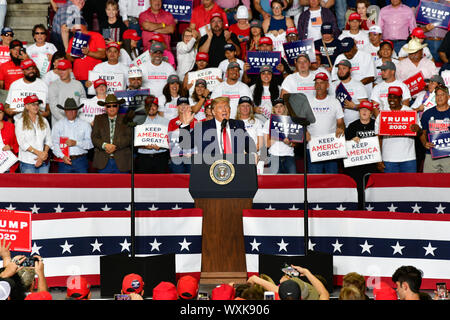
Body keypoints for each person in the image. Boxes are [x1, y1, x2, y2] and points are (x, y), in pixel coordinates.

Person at [179, 96, 256, 158]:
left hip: (235, 167)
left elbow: (249, 144)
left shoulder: (238, 124)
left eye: (226, 107)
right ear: (213, 112)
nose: (224, 110)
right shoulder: (202, 127)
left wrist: (253, 153)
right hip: (211, 168)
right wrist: (185, 124)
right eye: (220, 107)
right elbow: (185, 145)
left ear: (230, 109)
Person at [304, 72, 345, 174]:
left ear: (327, 85)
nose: (319, 86)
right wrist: (304, 131)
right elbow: (301, 122)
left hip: (330, 147)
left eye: (321, 83)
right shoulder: (307, 102)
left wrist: (340, 127)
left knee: (332, 180)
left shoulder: (334, 102)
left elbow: (340, 122)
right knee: (314, 180)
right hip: (313, 146)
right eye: (316, 83)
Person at [375, 86, 420, 173]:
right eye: (390, 97)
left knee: (409, 185)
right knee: (390, 186)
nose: (392, 100)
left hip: (408, 158)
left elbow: (419, 132)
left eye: (395, 97)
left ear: (401, 98)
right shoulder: (382, 115)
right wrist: (378, 159)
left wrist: (418, 130)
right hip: (388, 159)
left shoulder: (410, 112)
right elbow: (378, 138)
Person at [345, 101, 378, 208]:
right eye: (362, 109)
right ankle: (359, 209)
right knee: (358, 189)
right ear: (358, 112)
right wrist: (351, 141)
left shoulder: (376, 124)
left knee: (372, 189)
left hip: (372, 164)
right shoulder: (352, 126)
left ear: (371, 113)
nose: (364, 111)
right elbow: (344, 145)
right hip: (357, 165)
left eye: (367, 110)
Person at [91, 94, 132, 173]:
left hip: (122, 160)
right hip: (103, 160)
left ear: (118, 106)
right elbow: (94, 137)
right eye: (109, 106)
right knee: (104, 185)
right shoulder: (98, 119)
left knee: (123, 185)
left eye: (114, 106)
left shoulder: (126, 119)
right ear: (105, 108)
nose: (112, 108)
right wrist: (105, 145)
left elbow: (129, 137)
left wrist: (114, 146)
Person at [51, 98, 93, 173]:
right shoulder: (58, 125)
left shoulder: (85, 125)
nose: (71, 112)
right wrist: (62, 156)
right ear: (65, 111)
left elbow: (90, 144)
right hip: (64, 161)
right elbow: (54, 144)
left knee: (83, 184)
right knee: (64, 184)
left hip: (81, 160)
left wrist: (76, 143)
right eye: (68, 110)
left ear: (77, 111)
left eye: (73, 110)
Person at [15, 95, 52, 173]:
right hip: (27, 162)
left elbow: (49, 140)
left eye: (37, 104)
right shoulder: (20, 122)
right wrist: (39, 154)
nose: (36, 107)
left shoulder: (44, 121)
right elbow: (22, 143)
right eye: (33, 104)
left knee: (44, 184)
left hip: (43, 161)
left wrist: (43, 155)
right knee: (29, 185)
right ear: (26, 106)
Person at [65, 18, 106, 88]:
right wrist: (75, 54)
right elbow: (69, 58)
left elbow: (103, 55)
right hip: (77, 78)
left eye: (75, 27)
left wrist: (88, 52)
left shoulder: (96, 36)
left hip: (94, 77)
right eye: (72, 27)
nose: (73, 29)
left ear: (83, 26)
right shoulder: (73, 39)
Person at [135, 96, 170, 174]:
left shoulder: (166, 122)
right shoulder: (137, 122)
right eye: (149, 105)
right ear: (145, 107)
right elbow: (134, 141)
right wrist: (143, 146)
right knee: (143, 184)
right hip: (143, 158)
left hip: (161, 157)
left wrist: (161, 146)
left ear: (157, 107)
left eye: (154, 105)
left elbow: (170, 141)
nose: (151, 108)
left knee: (161, 183)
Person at [419, 84, 450, 173]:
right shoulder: (427, 114)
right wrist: (424, 142)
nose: (439, 97)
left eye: (442, 95)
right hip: (431, 154)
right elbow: (423, 132)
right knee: (429, 183)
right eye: (437, 95)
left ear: (448, 97)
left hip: (448, 155)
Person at [329, 59, 368, 127]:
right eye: (339, 69)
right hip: (337, 125)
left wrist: (354, 106)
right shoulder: (332, 85)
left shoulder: (358, 85)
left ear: (350, 70)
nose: (341, 71)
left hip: (355, 125)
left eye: (344, 68)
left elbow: (366, 106)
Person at [48, 59, 87, 127]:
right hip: (59, 125)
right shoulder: (53, 86)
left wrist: (76, 121)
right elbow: (53, 108)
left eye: (64, 70)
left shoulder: (78, 85)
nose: (61, 72)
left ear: (70, 70)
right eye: (59, 70)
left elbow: (84, 104)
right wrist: (68, 122)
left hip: (77, 124)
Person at [263, 98, 297, 174]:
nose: (278, 109)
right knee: (276, 184)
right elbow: (267, 144)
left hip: (289, 156)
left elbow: (295, 143)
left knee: (293, 183)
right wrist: (277, 135)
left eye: (281, 106)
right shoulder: (268, 123)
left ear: (285, 107)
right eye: (276, 107)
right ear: (273, 109)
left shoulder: (291, 121)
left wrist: (289, 143)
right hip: (274, 156)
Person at [168, 96, 197, 173]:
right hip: (177, 156)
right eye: (181, 104)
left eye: (185, 104)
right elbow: (171, 140)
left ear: (189, 107)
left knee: (191, 181)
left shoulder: (195, 121)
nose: (183, 107)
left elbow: (196, 140)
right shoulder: (172, 122)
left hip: (191, 156)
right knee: (178, 181)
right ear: (177, 107)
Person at [0, 103, 19, 172]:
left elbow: (18, 144)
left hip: (8, 164)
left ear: (3, 114)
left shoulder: (11, 126)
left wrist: (11, 147)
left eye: (0, 112)